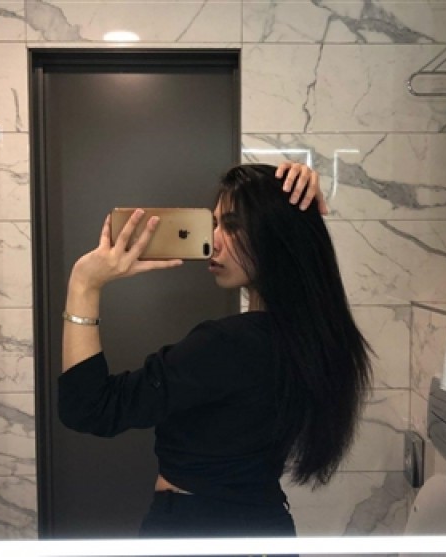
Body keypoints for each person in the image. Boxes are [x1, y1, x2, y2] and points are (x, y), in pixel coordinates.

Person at [59, 162, 373, 538]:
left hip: (196, 533)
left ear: (275, 233)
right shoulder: (315, 339)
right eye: (214, 224)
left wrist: (84, 283)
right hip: (265, 527)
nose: (214, 240)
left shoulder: (230, 344)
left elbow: (91, 408)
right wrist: (292, 202)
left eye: (232, 226)